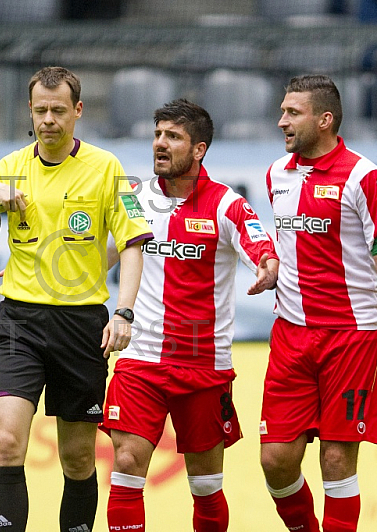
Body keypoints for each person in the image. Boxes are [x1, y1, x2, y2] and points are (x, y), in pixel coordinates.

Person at [0, 66, 153, 532]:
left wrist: (123, 311)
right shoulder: (9, 168)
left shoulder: (108, 169)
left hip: (82, 326)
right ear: (30, 111)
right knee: (6, 442)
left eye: (59, 110)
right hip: (20, 321)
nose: (49, 120)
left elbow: (135, 242)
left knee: (77, 458)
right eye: (40, 110)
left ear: (78, 111)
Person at [100, 99, 279, 532]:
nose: (160, 144)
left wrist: (267, 264)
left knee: (205, 484)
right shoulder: (135, 198)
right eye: (158, 134)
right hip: (141, 356)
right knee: (125, 464)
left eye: (173, 137)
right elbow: (99, 256)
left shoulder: (226, 204)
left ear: (198, 149)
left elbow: (258, 242)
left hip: (203, 362)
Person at [260, 74, 377, 532]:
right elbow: (288, 242)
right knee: (275, 460)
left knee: (335, 458)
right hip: (291, 335)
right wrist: (272, 267)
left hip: (351, 336)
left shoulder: (364, 176)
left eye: (293, 113)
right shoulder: (276, 174)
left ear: (325, 119)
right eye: (282, 111)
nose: (281, 121)